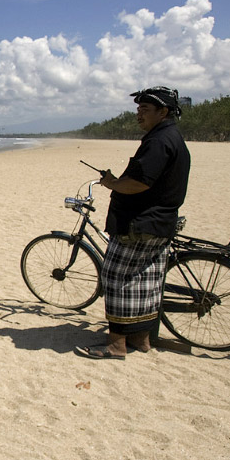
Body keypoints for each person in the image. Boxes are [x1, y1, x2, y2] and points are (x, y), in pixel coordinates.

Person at [75, 86, 190, 360]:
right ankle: (141, 339)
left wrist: (112, 183)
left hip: (141, 225)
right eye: (138, 109)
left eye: (145, 110)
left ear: (163, 112)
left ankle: (116, 345)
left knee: (114, 277)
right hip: (160, 224)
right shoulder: (169, 137)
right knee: (145, 280)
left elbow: (139, 182)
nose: (139, 114)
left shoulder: (160, 141)